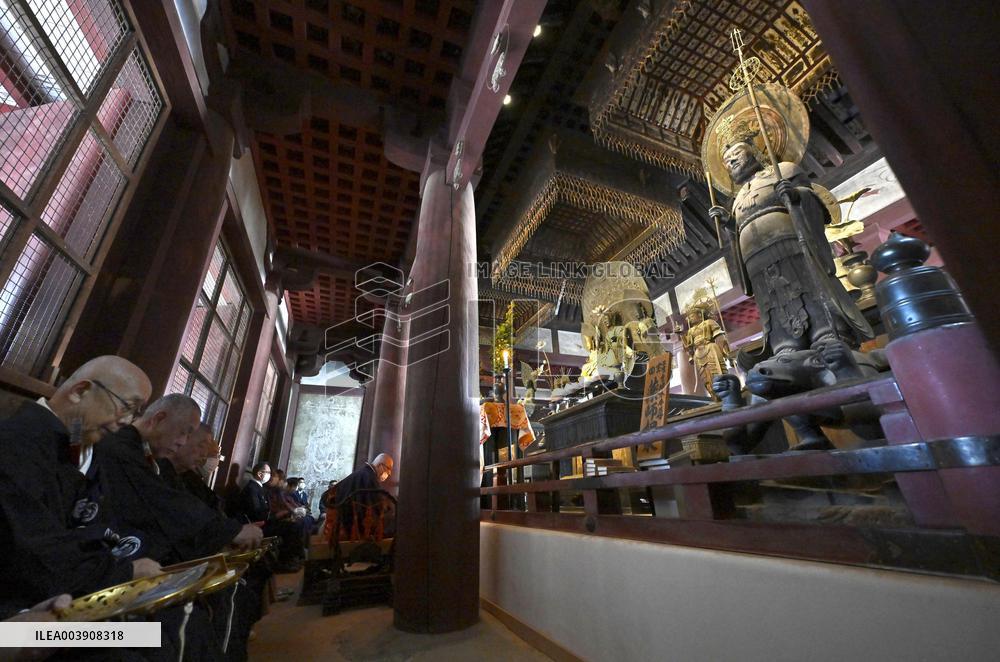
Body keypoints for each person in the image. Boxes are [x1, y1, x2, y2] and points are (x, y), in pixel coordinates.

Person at [704, 83, 872, 369]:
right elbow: (739, 229)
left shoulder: (783, 171)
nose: (731, 161)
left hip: (791, 245)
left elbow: (812, 202)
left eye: (737, 155)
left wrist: (795, 195)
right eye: (727, 161)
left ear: (755, 154)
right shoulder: (737, 199)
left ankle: (825, 331)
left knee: (807, 285)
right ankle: (784, 343)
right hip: (757, 260)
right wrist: (731, 227)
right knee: (772, 299)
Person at [0, 356, 161, 618]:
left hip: (80, 592)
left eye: (136, 412)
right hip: (23, 616)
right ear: (80, 392)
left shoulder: (79, 444)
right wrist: (125, 572)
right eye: (127, 407)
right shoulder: (15, 444)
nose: (127, 421)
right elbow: (33, 552)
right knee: (148, 640)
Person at [93, 394, 262, 564]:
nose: (182, 442)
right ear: (158, 419)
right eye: (184, 433)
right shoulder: (120, 449)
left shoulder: (150, 456)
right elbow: (163, 501)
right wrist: (228, 531)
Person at [331, 453, 393, 540]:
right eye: (388, 469)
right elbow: (377, 504)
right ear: (381, 465)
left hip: (342, 521)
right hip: (355, 526)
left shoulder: (361, 473)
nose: (389, 474)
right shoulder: (370, 478)